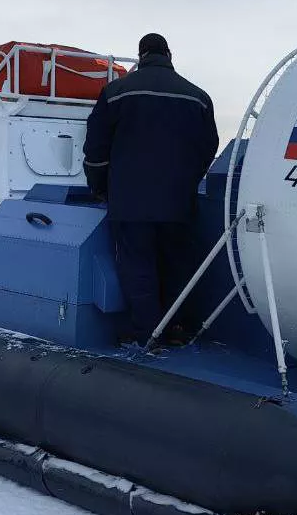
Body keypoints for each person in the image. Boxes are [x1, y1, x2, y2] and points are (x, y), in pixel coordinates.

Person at [83, 33, 220, 347]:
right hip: (179, 201)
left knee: (138, 265)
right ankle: (175, 328)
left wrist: (100, 187)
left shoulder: (116, 93)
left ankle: (147, 334)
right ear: (169, 54)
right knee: (175, 263)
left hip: (131, 201)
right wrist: (188, 181)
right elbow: (208, 147)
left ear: (141, 54)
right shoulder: (197, 96)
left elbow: (96, 150)